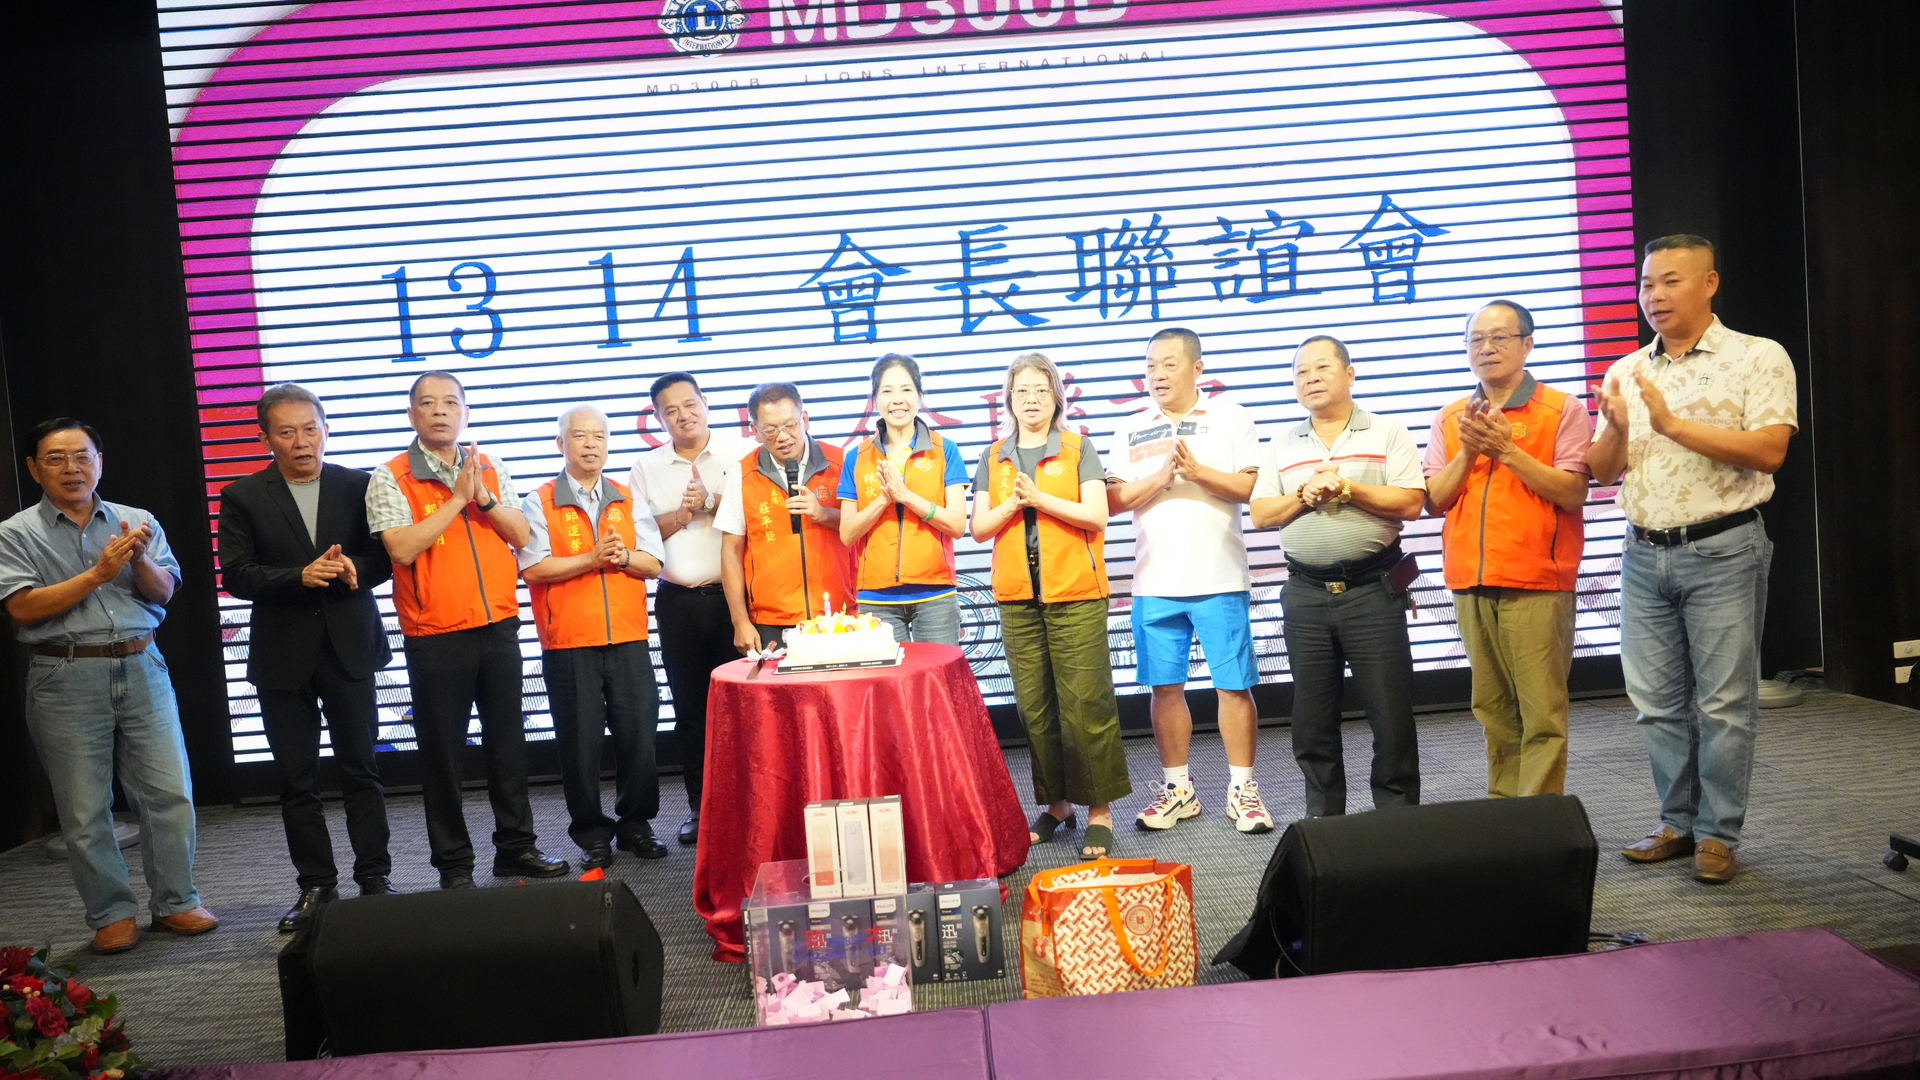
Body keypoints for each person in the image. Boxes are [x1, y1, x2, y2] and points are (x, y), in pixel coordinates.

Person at [1589, 235, 1796, 885]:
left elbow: (1770, 451)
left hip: (1724, 549)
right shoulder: (1627, 369)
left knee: (1724, 704)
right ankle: (1677, 822)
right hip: (1642, 552)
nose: (1654, 296)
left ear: (1709, 283)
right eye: (1646, 283)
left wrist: (1674, 425)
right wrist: (1616, 426)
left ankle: (1717, 834)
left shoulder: (1757, 356)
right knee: (1654, 701)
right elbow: (1601, 471)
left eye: (1670, 281)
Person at [0, 418, 216, 953]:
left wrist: (138, 559)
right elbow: (22, 607)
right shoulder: (15, 533)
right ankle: (111, 913)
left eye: (82, 456)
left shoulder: (136, 521)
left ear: (99, 461)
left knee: (170, 792)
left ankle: (176, 901)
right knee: (84, 808)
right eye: (55, 458)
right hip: (64, 672)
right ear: (33, 469)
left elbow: (164, 593)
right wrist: (97, 574)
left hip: (142, 664)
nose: (71, 468)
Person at [365, 371, 567, 889]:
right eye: (428, 403)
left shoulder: (490, 466)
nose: (440, 411)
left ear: (465, 412)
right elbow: (401, 549)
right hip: (435, 634)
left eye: (450, 403)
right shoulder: (391, 475)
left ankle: (516, 848)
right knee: (443, 755)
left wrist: (483, 498)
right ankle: (454, 864)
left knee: (508, 744)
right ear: (411, 414)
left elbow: (522, 536)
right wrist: (457, 499)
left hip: (498, 624)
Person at [218, 384, 397, 933]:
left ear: (326, 430)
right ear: (265, 438)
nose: (302, 441)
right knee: (298, 779)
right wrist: (299, 576)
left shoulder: (359, 485)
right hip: (282, 654)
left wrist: (355, 569)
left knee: (361, 769)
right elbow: (237, 575)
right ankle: (316, 884)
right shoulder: (243, 495)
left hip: (349, 647)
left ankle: (375, 877)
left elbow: (384, 558)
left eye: (310, 429)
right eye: (287, 432)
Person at [1249, 336, 1426, 818]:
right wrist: (1306, 495)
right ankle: (1325, 823)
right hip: (1305, 594)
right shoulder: (1282, 442)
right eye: (1301, 372)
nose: (1311, 378)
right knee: (1312, 721)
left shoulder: (1387, 431)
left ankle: (1398, 821)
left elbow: (1411, 502)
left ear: (1350, 374)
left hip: (1372, 592)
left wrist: (1347, 488)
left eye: (1322, 368)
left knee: (1390, 717)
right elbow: (1262, 514)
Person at [1424, 302, 1593, 799]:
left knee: (1541, 712)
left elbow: (1573, 492)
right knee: (1493, 709)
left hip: (1536, 579)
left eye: (1499, 337)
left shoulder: (1561, 409)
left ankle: (1538, 821)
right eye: (1476, 339)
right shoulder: (1452, 417)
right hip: (1470, 579)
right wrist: (1469, 452)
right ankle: (1504, 814)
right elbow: (1435, 499)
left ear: (1528, 343)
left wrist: (1508, 452)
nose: (1486, 348)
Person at [1105, 328, 1271, 835]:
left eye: (1169, 364)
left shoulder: (1230, 417)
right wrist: (1159, 479)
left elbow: (1252, 486)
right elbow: (1112, 499)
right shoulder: (1130, 428)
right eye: (1151, 366)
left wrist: (1197, 472)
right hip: (1153, 581)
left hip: (1220, 576)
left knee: (1233, 686)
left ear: (1197, 368)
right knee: (1164, 689)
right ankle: (1178, 789)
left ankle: (1243, 790)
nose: (1157, 374)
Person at [971, 352, 1130, 858]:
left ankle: (1099, 810)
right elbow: (978, 528)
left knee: (1086, 706)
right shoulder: (993, 456)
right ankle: (1058, 805)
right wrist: (1012, 504)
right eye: (1022, 391)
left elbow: (1097, 515)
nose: (1032, 399)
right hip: (1018, 596)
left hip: (1076, 593)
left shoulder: (1078, 447)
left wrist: (1040, 499)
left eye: (1041, 390)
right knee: (1035, 708)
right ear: (1009, 399)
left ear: (1057, 397)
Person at [518, 406, 668, 870]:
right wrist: (592, 558)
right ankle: (592, 834)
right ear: (560, 443)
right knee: (580, 746)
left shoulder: (628, 497)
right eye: (579, 436)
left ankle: (636, 825)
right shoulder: (539, 500)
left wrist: (622, 557)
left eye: (599, 436)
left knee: (639, 737)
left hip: (628, 637)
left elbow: (653, 563)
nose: (590, 444)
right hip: (569, 643)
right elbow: (533, 567)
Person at [629, 372, 758, 845]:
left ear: (706, 403)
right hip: (678, 602)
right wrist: (682, 515)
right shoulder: (646, 467)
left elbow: (759, 517)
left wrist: (713, 502)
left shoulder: (742, 454)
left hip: (735, 602)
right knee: (690, 709)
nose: (683, 415)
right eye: (671, 410)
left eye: (690, 404)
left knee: (746, 707)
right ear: (658, 418)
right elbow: (641, 536)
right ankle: (702, 810)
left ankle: (753, 805)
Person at [838, 354, 970, 647]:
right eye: (887, 391)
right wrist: (883, 500)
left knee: (937, 675)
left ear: (920, 396)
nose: (897, 400)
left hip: (935, 593)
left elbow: (957, 525)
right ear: (875, 400)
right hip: (876, 598)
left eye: (906, 389)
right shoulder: (857, 457)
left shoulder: (944, 450)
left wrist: (906, 496)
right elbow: (847, 534)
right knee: (888, 678)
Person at [719, 382, 852, 653]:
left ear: (805, 419)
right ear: (754, 431)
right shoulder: (742, 473)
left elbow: (862, 527)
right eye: (770, 429)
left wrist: (823, 514)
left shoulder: (842, 462)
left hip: (840, 615)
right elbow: (730, 550)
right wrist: (739, 621)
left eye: (790, 425)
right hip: (771, 620)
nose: (783, 437)